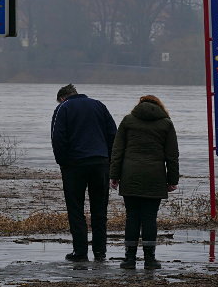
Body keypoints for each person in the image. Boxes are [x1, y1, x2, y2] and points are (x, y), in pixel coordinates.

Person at [109, 95, 179, 269]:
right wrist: (172, 180)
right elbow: (172, 155)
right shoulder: (166, 124)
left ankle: (129, 259)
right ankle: (150, 259)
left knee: (132, 217)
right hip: (155, 176)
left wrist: (114, 175)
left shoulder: (128, 121)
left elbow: (117, 151)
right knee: (149, 218)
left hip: (130, 174)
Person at [51, 84, 117, 262]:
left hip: (75, 166)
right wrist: (109, 161)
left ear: (63, 98)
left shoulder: (62, 108)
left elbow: (58, 137)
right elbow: (113, 135)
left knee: (75, 209)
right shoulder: (99, 105)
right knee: (99, 210)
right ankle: (100, 252)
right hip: (100, 163)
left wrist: (63, 162)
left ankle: (80, 252)